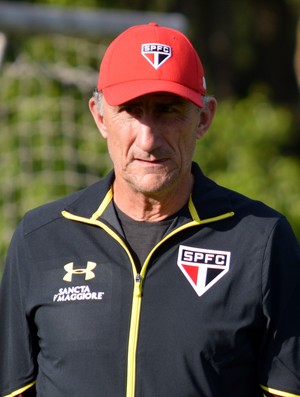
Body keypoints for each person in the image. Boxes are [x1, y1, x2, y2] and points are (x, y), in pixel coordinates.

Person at [0, 22, 299, 397]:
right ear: (99, 116)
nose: (148, 138)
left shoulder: (261, 241)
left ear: (204, 118)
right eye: (132, 111)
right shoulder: (39, 238)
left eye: (168, 111)